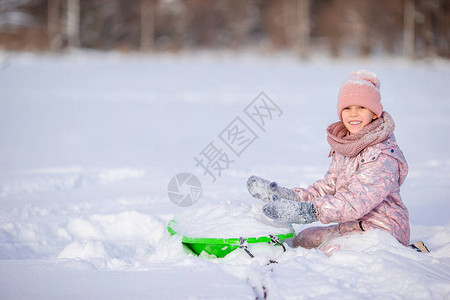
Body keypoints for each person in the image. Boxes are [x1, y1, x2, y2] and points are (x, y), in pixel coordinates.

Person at [247, 70, 410, 255]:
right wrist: (291, 197)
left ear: (374, 113)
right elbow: (328, 187)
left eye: (361, 108)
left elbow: (354, 202)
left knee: (330, 252)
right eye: (347, 108)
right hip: (353, 225)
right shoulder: (348, 145)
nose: (353, 114)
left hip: (383, 230)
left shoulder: (382, 156)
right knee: (302, 240)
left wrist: (306, 211)